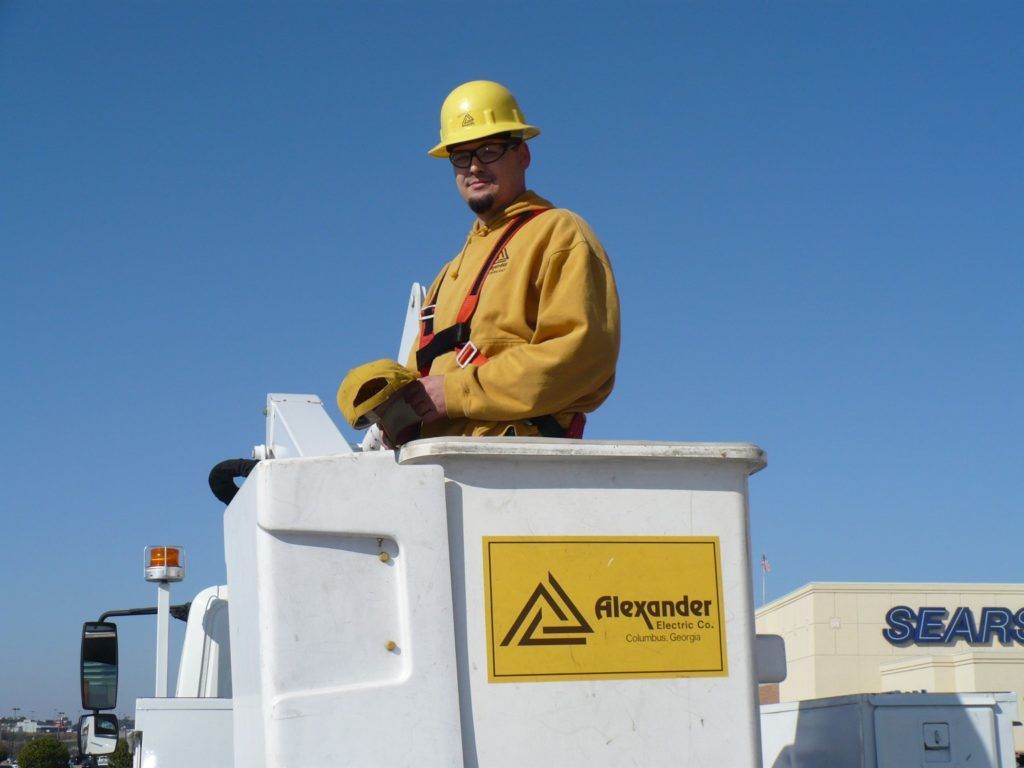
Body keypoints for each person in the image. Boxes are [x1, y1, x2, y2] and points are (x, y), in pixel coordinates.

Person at [403, 80, 620, 438]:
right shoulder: (447, 275)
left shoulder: (558, 233)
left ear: (523, 156)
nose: (473, 167)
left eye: (488, 149)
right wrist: (387, 397)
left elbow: (582, 359)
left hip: (518, 471)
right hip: (440, 472)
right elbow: (423, 378)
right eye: (460, 155)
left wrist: (457, 392)